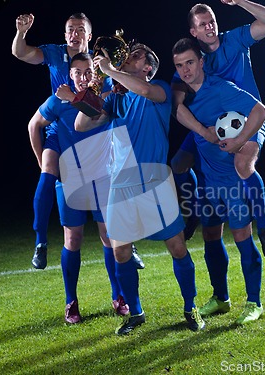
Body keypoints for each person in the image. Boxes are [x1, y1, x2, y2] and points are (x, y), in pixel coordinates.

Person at [75, 42, 205, 335]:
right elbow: (81, 124)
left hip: (155, 183)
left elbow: (144, 91)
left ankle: (191, 307)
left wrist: (109, 69)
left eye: (135, 56)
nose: (126, 58)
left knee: (177, 247)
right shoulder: (116, 99)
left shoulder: (157, 89)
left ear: (147, 68)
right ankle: (135, 313)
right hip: (120, 186)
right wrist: (97, 84)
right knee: (120, 252)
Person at [12, 12, 144, 270]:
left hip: (94, 135)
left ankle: (128, 245)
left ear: (89, 35)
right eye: (71, 29)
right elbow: (21, 53)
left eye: (80, 30)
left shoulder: (101, 61)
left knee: (117, 181)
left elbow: (108, 100)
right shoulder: (55, 54)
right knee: (48, 169)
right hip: (62, 129)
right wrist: (21, 32)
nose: (75, 34)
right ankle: (41, 243)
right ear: (65, 35)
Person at [170, 1, 265, 261]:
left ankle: (264, 228)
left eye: (211, 21)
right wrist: (202, 131)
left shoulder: (235, 40)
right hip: (213, 125)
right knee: (178, 164)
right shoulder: (194, 59)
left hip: (248, 120)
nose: (209, 26)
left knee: (243, 164)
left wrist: (240, 1)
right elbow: (175, 106)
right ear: (193, 31)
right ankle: (195, 209)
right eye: (202, 24)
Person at [28, 52, 132, 322]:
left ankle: (118, 296)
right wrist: (43, 162)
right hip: (71, 180)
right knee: (72, 240)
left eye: (89, 72)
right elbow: (34, 125)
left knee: (109, 237)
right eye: (78, 73)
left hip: (103, 177)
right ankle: (71, 302)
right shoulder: (57, 101)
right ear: (70, 76)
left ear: (95, 74)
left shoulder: (106, 95)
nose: (84, 77)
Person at [172, 37, 265, 324]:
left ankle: (254, 303)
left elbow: (261, 111)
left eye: (190, 62)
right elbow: (177, 112)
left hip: (231, 181)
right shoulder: (184, 95)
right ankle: (221, 298)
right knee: (210, 236)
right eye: (180, 65)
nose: (186, 69)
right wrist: (204, 132)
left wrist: (240, 139)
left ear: (201, 62)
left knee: (241, 237)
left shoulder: (222, 89)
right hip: (208, 181)